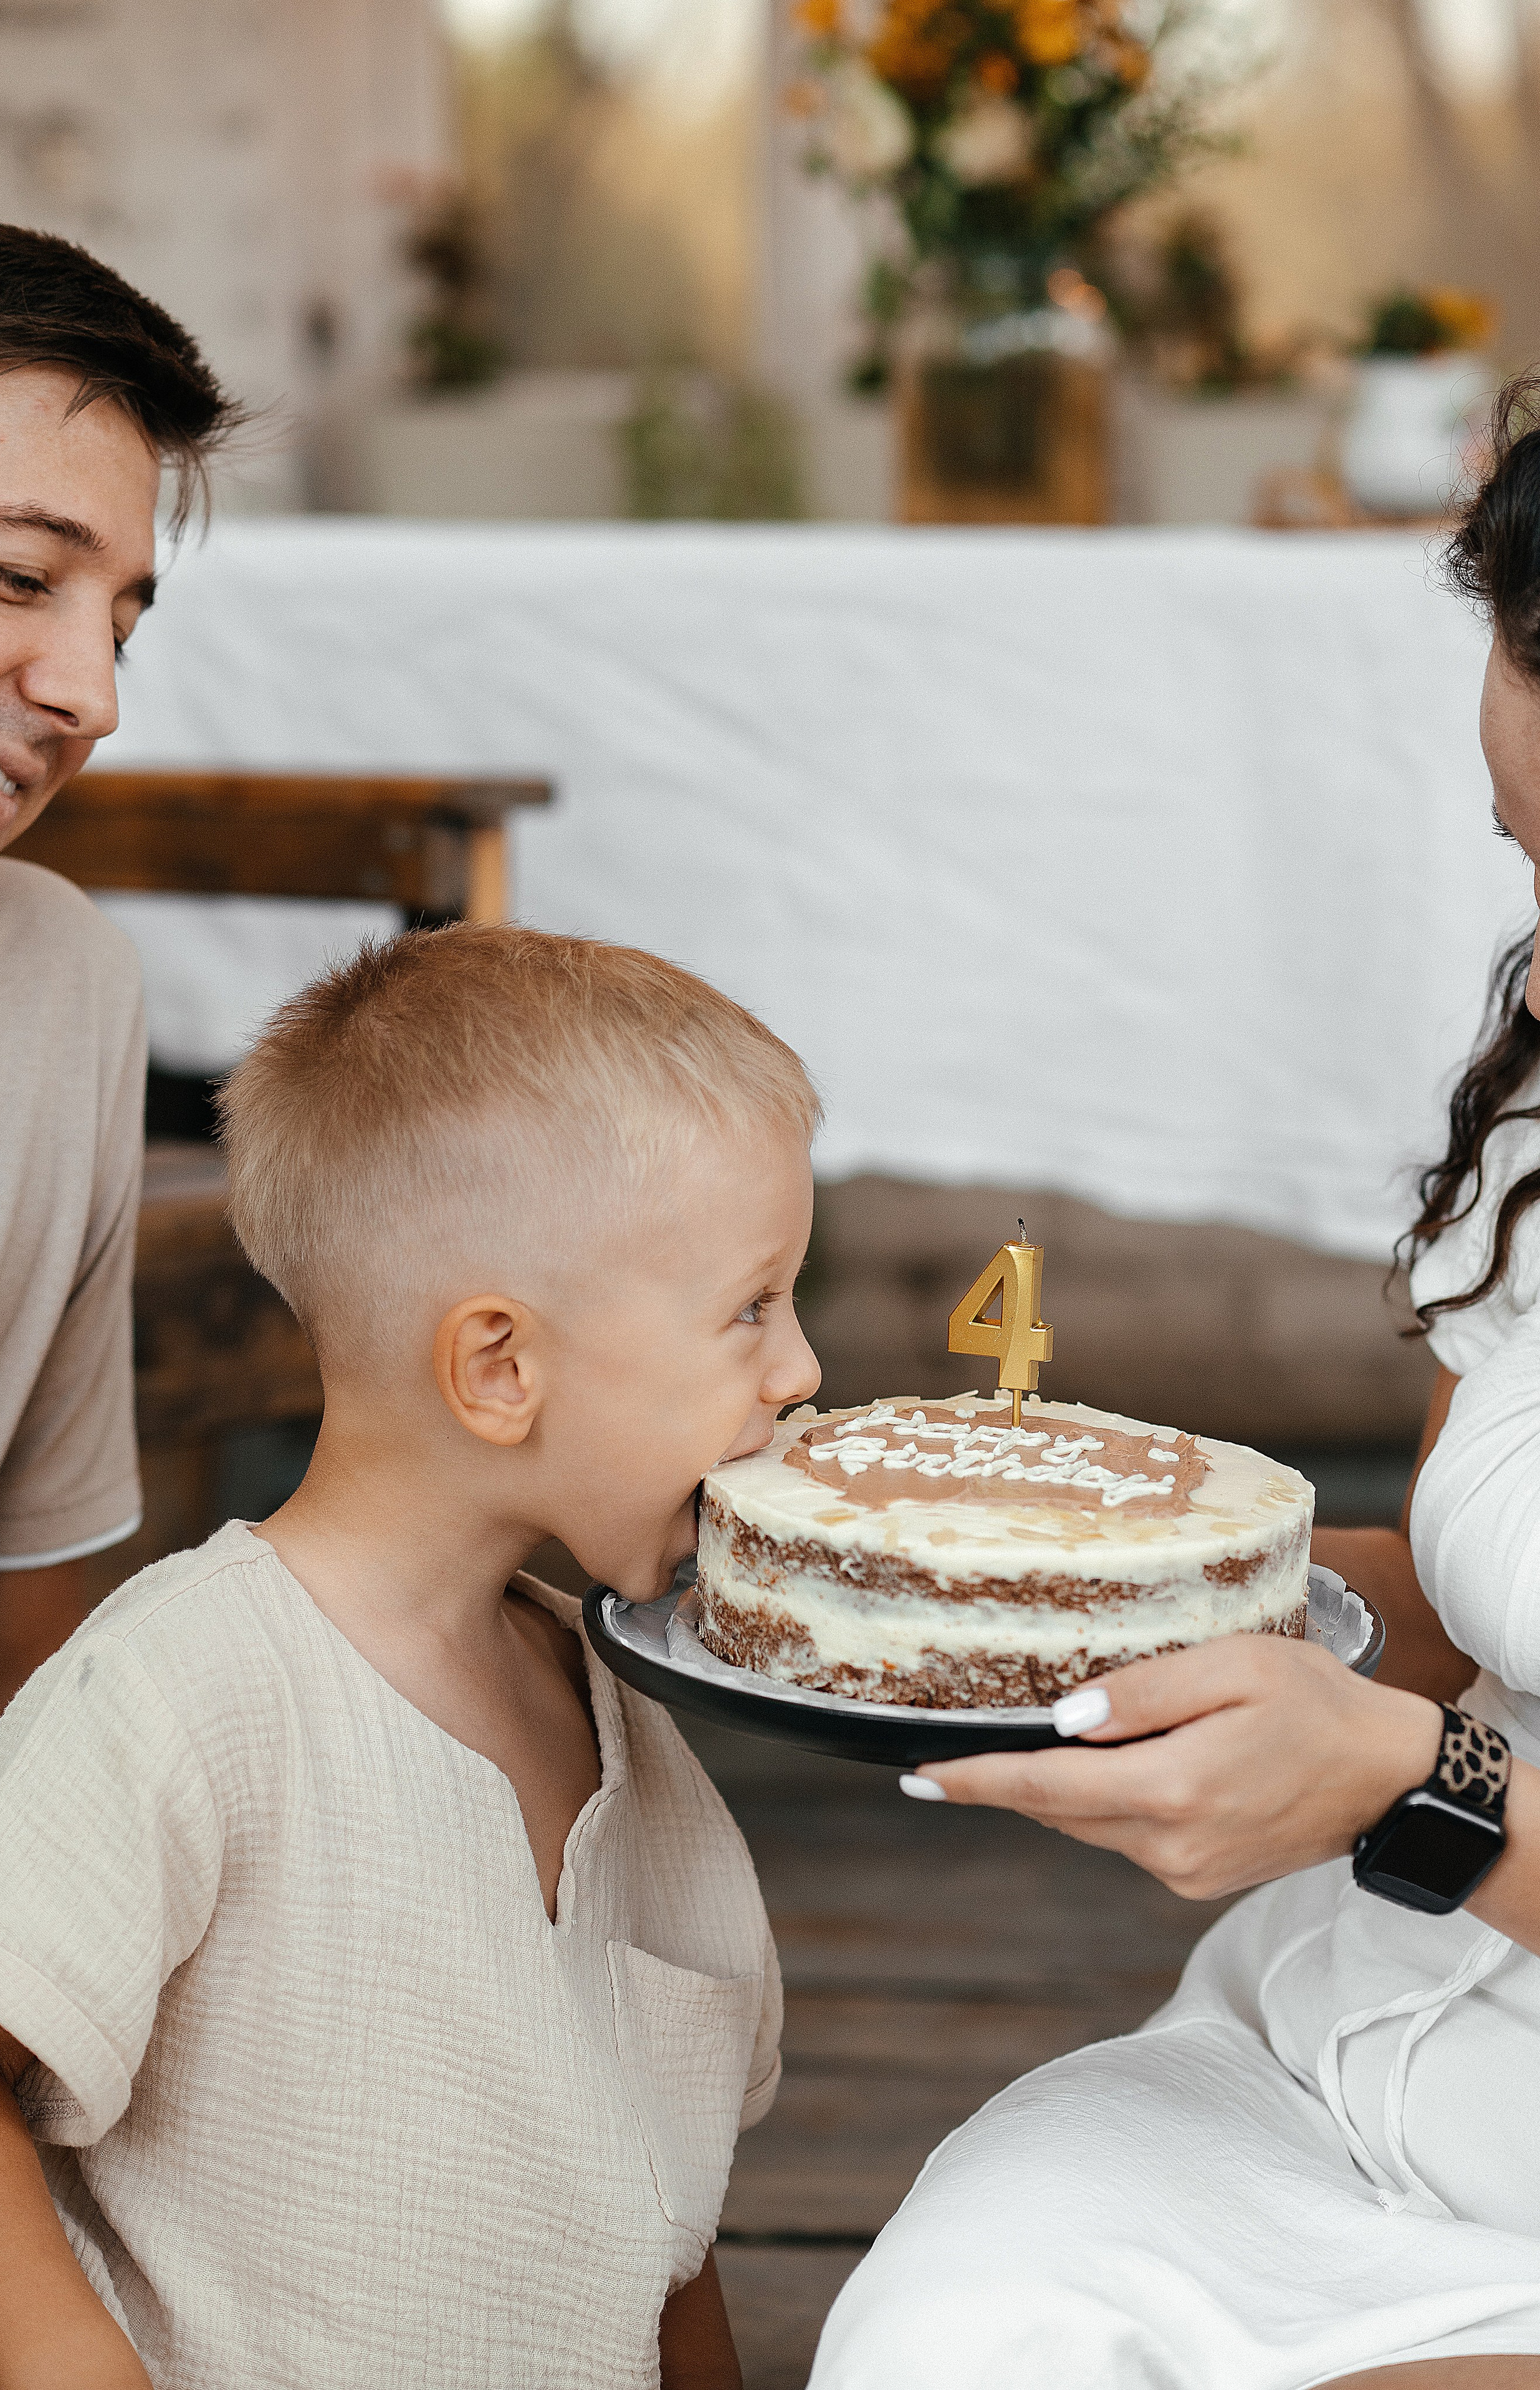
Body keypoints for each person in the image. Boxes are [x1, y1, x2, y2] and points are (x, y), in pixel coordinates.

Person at [811, 385, 1540, 2390]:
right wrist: (1029, 1565)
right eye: (1529, 859)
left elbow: (1423, 1750)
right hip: (1352, 2048)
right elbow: (1455, 1611)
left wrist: (1415, 1792)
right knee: (951, 2350)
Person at [0, 924, 822, 2389]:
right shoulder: (182, 1688)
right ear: (499, 1367)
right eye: (750, 1306)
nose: (798, 1370)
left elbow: (659, 2228)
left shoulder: (625, 1715)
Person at [0, 203, 241, 1800]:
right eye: (16, 578)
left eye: (119, 623)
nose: (91, 697)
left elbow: (11, 1621)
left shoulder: (58, 991)